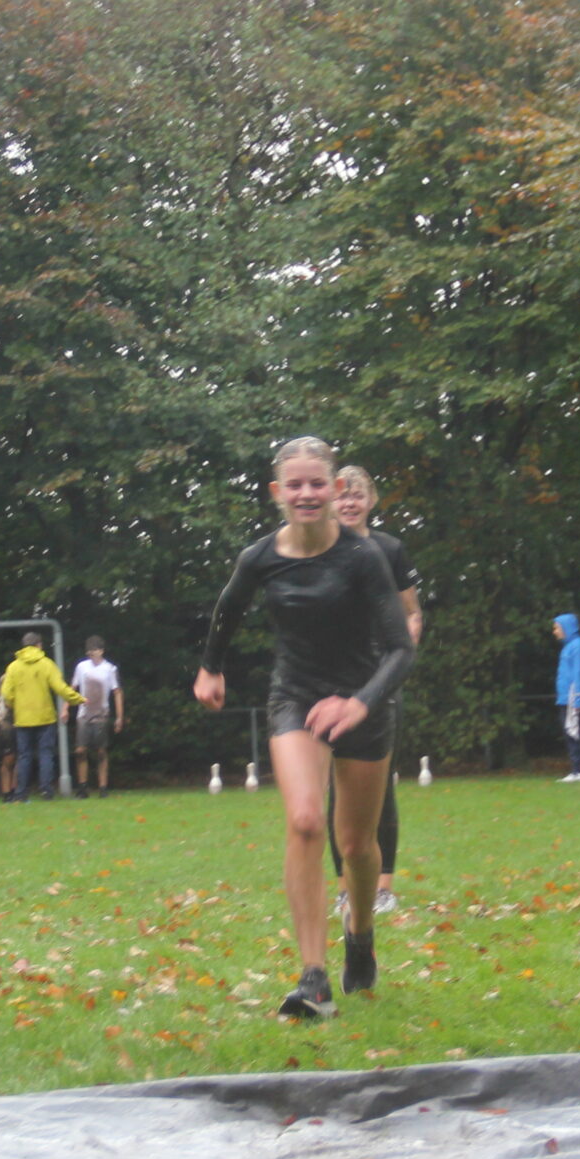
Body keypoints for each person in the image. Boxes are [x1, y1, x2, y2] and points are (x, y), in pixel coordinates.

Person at [196, 437, 414, 1019]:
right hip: (295, 698)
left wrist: (361, 704)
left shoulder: (364, 557)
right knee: (305, 821)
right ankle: (313, 978)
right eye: (295, 485)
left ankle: (359, 935)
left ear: (336, 489)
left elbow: (400, 649)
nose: (307, 494)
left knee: (357, 846)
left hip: (363, 701)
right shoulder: (259, 557)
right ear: (277, 492)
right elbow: (228, 608)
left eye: (318, 483)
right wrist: (211, 666)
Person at [326, 466, 423, 914]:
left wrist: (403, 648)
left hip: (380, 680)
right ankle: (346, 889)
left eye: (357, 495)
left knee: (380, 786)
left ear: (371, 500)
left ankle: (383, 887)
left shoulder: (389, 549)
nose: (349, 503)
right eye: (342, 495)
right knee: (336, 787)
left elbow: (412, 611)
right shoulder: (319, 550)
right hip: (331, 681)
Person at [0, 632, 78, 801]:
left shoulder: (13, 667)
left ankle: (21, 792)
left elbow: (6, 692)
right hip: (45, 716)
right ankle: (46, 790)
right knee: (45, 754)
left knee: (24, 756)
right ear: (39, 645)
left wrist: (13, 705)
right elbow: (60, 687)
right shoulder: (47, 664)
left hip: (22, 718)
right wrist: (78, 699)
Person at [69, 635, 125, 798]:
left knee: (101, 751)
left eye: (94, 650)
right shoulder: (81, 667)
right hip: (83, 714)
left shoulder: (109, 669)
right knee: (80, 750)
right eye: (89, 651)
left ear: (101, 651)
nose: (91, 654)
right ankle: (82, 787)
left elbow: (117, 692)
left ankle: (103, 787)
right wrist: (66, 708)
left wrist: (119, 717)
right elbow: (73, 688)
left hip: (101, 714)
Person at [554, 613, 580, 780]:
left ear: (566, 627)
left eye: (557, 628)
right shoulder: (568, 646)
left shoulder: (578, 646)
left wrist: (578, 698)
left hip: (574, 698)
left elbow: (579, 673)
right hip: (565, 698)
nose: (555, 632)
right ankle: (575, 770)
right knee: (570, 733)